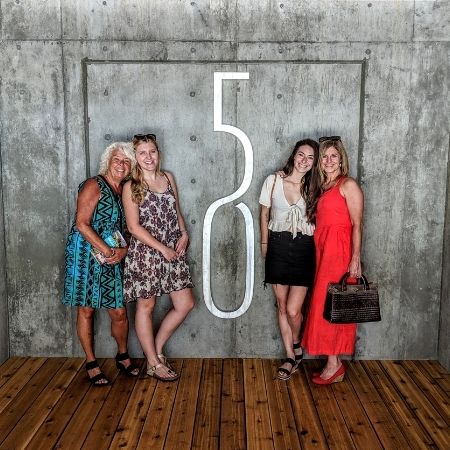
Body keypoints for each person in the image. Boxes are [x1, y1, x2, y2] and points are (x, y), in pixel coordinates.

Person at [62, 142, 140, 386]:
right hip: (86, 253)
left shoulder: (124, 189)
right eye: (117, 159)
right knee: (87, 309)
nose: (121, 164)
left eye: (127, 161)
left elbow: (128, 229)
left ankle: (122, 354)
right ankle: (91, 361)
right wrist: (107, 250)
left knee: (118, 311)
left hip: (113, 253)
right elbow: (81, 223)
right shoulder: (94, 184)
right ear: (108, 160)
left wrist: (122, 251)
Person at [123, 133, 195, 382]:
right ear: (136, 157)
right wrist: (161, 248)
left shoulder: (168, 178)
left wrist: (184, 233)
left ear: (158, 152)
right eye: (142, 153)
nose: (148, 157)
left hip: (173, 250)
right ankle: (153, 363)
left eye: (152, 151)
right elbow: (133, 227)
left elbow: (176, 210)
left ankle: (156, 349)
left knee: (185, 304)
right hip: (146, 254)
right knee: (147, 305)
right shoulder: (132, 186)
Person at [301, 136, 364, 385]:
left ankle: (334, 364)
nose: (328, 161)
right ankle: (333, 362)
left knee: (331, 304)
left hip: (339, 252)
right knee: (325, 305)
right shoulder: (322, 186)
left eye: (333, 156)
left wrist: (355, 259)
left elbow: (357, 224)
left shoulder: (348, 185)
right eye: (324, 156)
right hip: (322, 250)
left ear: (341, 160)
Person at [259, 139, 320, 380]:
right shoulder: (273, 181)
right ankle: (290, 356)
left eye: (310, 158)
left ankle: (296, 340)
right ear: (293, 156)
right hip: (278, 246)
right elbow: (264, 214)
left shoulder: (315, 186)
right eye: (301, 155)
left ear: (314, 163)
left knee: (295, 310)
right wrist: (265, 244)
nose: (304, 161)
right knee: (282, 306)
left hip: (305, 248)